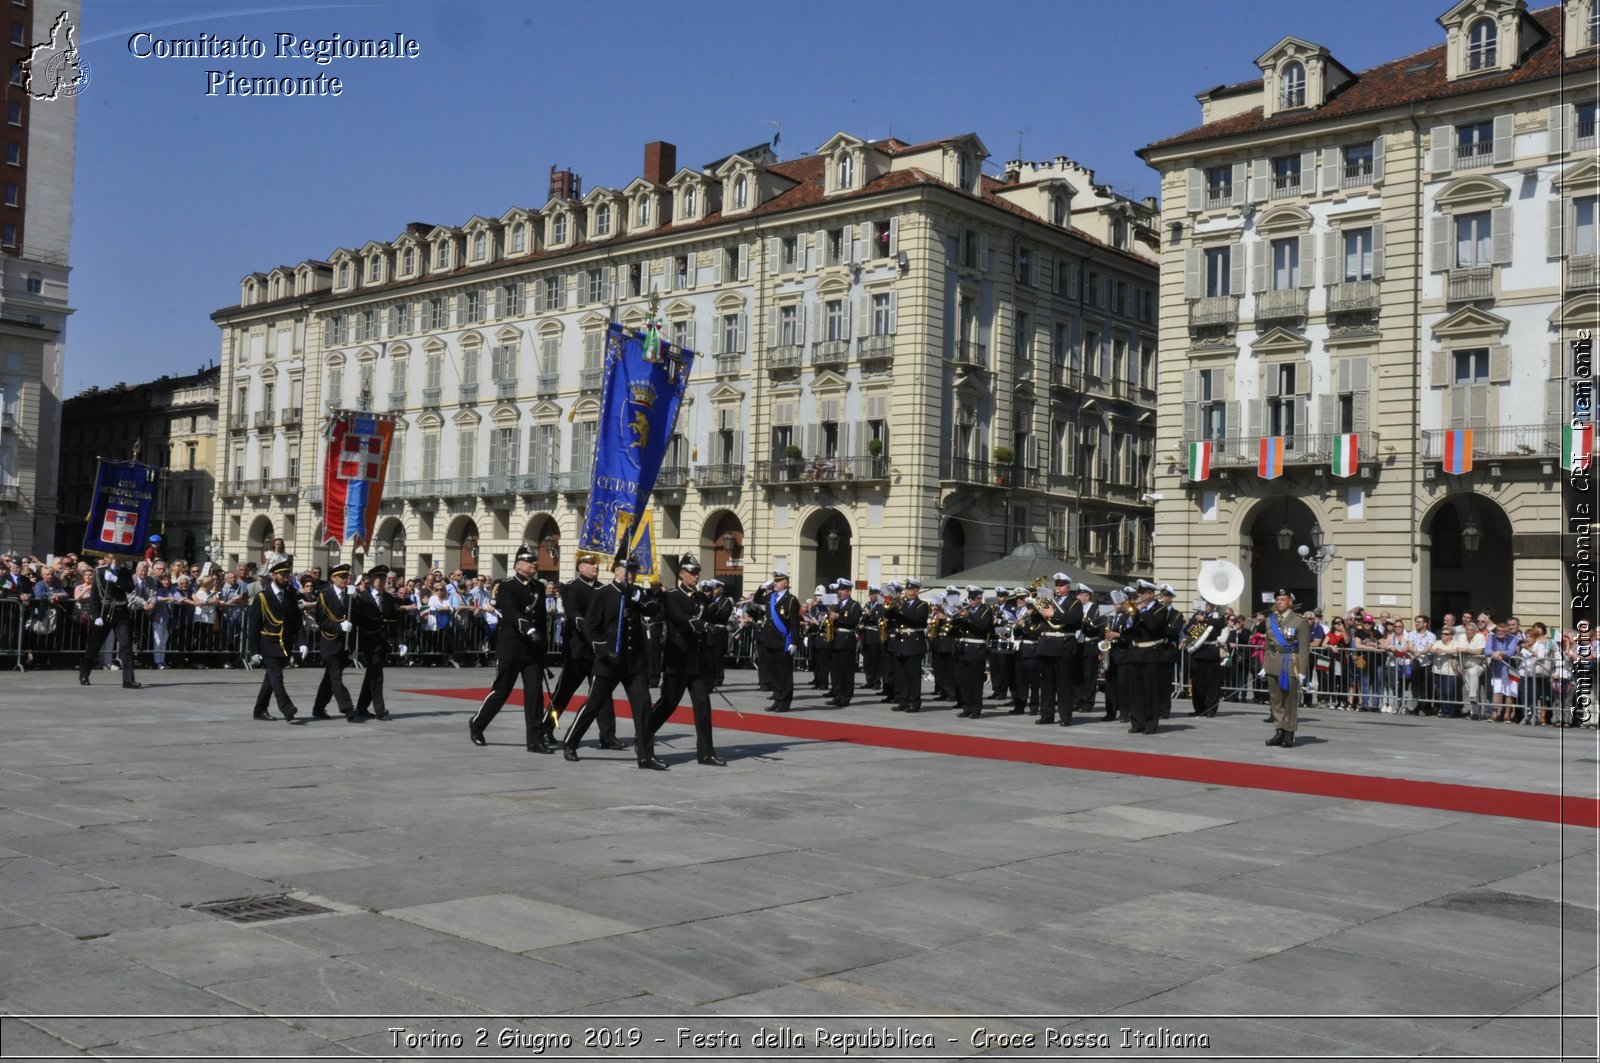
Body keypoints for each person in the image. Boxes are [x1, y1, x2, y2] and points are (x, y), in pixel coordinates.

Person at [565, 554, 664, 767]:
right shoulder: (603, 593)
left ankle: (646, 755)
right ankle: (571, 742)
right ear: (616, 571)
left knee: (643, 706)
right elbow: (591, 626)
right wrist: (601, 649)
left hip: (633, 662)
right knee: (593, 705)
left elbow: (653, 610)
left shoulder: (637, 593)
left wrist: (647, 598)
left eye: (634, 571)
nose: (631, 575)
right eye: (627, 570)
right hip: (609, 660)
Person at [468, 546, 551, 751]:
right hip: (512, 646)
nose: (534, 563)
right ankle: (478, 724)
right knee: (502, 691)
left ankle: (534, 740)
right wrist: (529, 629)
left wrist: (543, 646)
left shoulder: (539, 588)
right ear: (518, 565)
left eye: (535, 560)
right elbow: (512, 613)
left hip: (532, 650)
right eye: (529, 560)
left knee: (534, 694)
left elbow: (540, 618)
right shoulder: (507, 586)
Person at [645, 555, 724, 765]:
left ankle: (706, 752)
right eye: (692, 572)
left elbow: (713, 614)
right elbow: (679, 618)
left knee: (703, 706)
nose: (696, 576)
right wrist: (702, 625)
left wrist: (721, 612)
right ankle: (643, 735)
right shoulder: (672, 596)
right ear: (681, 574)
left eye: (697, 572)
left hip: (697, 661)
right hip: (678, 659)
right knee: (667, 704)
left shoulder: (699, 597)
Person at [547, 550, 626, 750]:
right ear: (580, 567)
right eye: (590, 564)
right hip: (578, 650)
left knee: (603, 695)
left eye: (596, 564)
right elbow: (575, 616)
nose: (595, 567)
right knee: (563, 693)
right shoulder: (572, 588)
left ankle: (608, 736)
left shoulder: (602, 589)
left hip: (598, 651)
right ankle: (546, 728)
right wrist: (592, 634)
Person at [245, 559, 302, 720]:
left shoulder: (290, 594)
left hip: (284, 644)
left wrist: (302, 642)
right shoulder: (263, 597)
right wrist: (254, 651)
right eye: (283, 575)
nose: (286, 578)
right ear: (274, 575)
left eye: (288, 575)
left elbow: (296, 620)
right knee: (277, 677)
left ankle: (260, 709)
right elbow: (254, 626)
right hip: (268, 644)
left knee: (270, 679)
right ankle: (287, 708)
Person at [1261, 588, 1312, 748]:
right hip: (1272, 663)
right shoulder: (1270, 620)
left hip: (1290, 663)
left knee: (1289, 701)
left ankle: (1289, 733)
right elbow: (1268, 645)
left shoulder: (1299, 621)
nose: (1279, 602)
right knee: (1276, 700)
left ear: (1290, 602)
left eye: (1282, 599)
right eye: (1277, 600)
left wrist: (1303, 671)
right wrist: (1264, 665)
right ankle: (1279, 731)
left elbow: (1304, 648)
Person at [352, 564, 404, 720]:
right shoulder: (362, 597)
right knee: (377, 674)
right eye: (379, 578)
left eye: (384, 578)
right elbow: (357, 620)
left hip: (383, 642)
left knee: (372, 674)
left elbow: (394, 621)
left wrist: (401, 641)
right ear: (372, 579)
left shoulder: (387, 598)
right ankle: (379, 709)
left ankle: (361, 707)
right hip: (368, 641)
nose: (382, 581)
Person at [78, 561, 140, 689]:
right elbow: (94, 596)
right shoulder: (99, 572)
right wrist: (95, 616)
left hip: (121, 611)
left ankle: (128, 680)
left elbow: (130, 587)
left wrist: (116, 579)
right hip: (104, 611)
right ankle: (84, 674)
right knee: (94, 645)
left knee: (126, 645)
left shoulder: (125, 572)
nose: (117, 559)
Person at [309, 563, 358, 720]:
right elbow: (321, 621)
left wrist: (356, 598)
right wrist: (339, 627)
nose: (345, 580)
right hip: (329, 643)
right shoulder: (324, 596)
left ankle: (318, 708)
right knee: (336, 677)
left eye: (347, 577)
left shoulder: (349, 596)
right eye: (342, 577)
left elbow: (356, 619)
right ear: (333, 578)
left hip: (343, 645)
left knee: (329, 679)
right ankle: (348, 708)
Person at [949, 584, 994, 719]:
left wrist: (968, 617)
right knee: (964, 681)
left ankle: (976, 708)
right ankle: (966, 706)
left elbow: (982, 627)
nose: (971, 601)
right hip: (963, 650)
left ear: (980, 598)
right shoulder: (968, 610)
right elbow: (954, 626)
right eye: (970, 599)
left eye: (974, 598)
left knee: (975, 682)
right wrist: (956, 618)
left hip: (976, 650)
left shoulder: (986, 610)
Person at [885, 578, 930, 712]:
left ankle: (914, 702)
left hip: (913, 642)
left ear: (916, 591)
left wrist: (900, 608)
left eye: (910, 589)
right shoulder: (902, 604)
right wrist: (890, 604)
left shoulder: (922, 605)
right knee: (901, 674)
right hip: (900, 642)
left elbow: (915, 619)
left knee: (913, 675)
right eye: (907, 589)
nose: (907, 592)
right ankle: (903, 700)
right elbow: (888, 615)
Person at [758, 571, 800, 712]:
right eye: (774, 581)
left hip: (783, 642)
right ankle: (777, 698)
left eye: (778, 581)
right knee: (773, 673)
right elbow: (757, 599)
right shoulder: (771, 597)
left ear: (786, 583)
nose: (775, 583)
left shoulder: (791, 600)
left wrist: (794, 642)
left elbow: (794, 623)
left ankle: (785, 701)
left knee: (785, 674)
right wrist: (763, 587)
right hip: (769, 641)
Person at [1187, 603, 1228, 718]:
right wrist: (1192, 628)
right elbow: (1187, 630)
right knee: (1197, 683)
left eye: (1209, 603)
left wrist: (1204, 619)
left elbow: (1221, 624)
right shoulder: (1197, 615)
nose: (1207, 605)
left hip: (1211, 652)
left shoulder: (1217, 616)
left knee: (1212, 683)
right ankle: (1199, 708)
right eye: (1206, 603)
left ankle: (1211, 709)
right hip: (1198, 652)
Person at [828, 578, 862, 707]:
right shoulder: (836, 605)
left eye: (842, 590)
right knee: (835, 670)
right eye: (839, 590)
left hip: (846, 639)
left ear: (849, 591)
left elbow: (854, 621)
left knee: (846, 670)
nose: (839, 592)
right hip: (835, 638)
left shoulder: (854, 605)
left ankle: (845, 696)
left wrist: (839, 617)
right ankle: (836, 695)